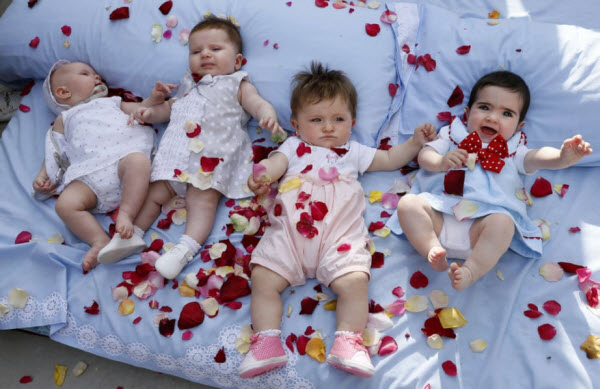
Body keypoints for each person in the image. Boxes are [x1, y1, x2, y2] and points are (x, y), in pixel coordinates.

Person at [237, 62, 436, 379]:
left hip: (339, 240)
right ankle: (266, 343)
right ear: (296, 124)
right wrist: (260, 176)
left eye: (338, 120)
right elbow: (274, 164)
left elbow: (388, 159)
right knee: (263, 280)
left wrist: (414, 144)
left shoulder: (354, 152)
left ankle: (349, 342)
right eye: (316, 120)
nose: (328, 128)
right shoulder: (293, 146)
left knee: (355, 283)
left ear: (352, 122)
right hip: (288, 237)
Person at [97, 16, 285, 279]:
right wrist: (150, 114)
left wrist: (267, 114)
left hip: (212, 158)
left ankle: (184, 250)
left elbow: (256, 102)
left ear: (238, 61)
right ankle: (134, 234)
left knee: (202, 200)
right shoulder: (187, 84)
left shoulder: (237, 83)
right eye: (196, 51)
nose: (205, 54)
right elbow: (171, 109)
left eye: (215, 49)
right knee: (153, 192)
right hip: (176, 155)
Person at [394, 70, 593, 290]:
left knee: (503, 222)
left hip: (481, 231)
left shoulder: (513, 151)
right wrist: (440, 161)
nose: (492, 117)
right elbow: (424, 156)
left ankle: (471, 270)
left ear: (518, 127)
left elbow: (536, 158)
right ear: (468, 113)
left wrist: (561, 157)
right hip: (438, 216)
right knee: (408, 204)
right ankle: (431, 249)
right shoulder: (452, 136)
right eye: (484, 107)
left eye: (506, 113)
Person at [32, 60, 164, 271]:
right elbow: (55, 150)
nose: (97, 77)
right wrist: (43, 175)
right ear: (64, 92)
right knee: (64, 205)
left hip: (123, 161)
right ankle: (98, 240)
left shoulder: (111, 102)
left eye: (95, 75)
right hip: (89, 174)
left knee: (138, 161)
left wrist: (153, 99)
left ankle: (127, 214)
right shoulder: (64, 118)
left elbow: (141, 110)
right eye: (86, 74)